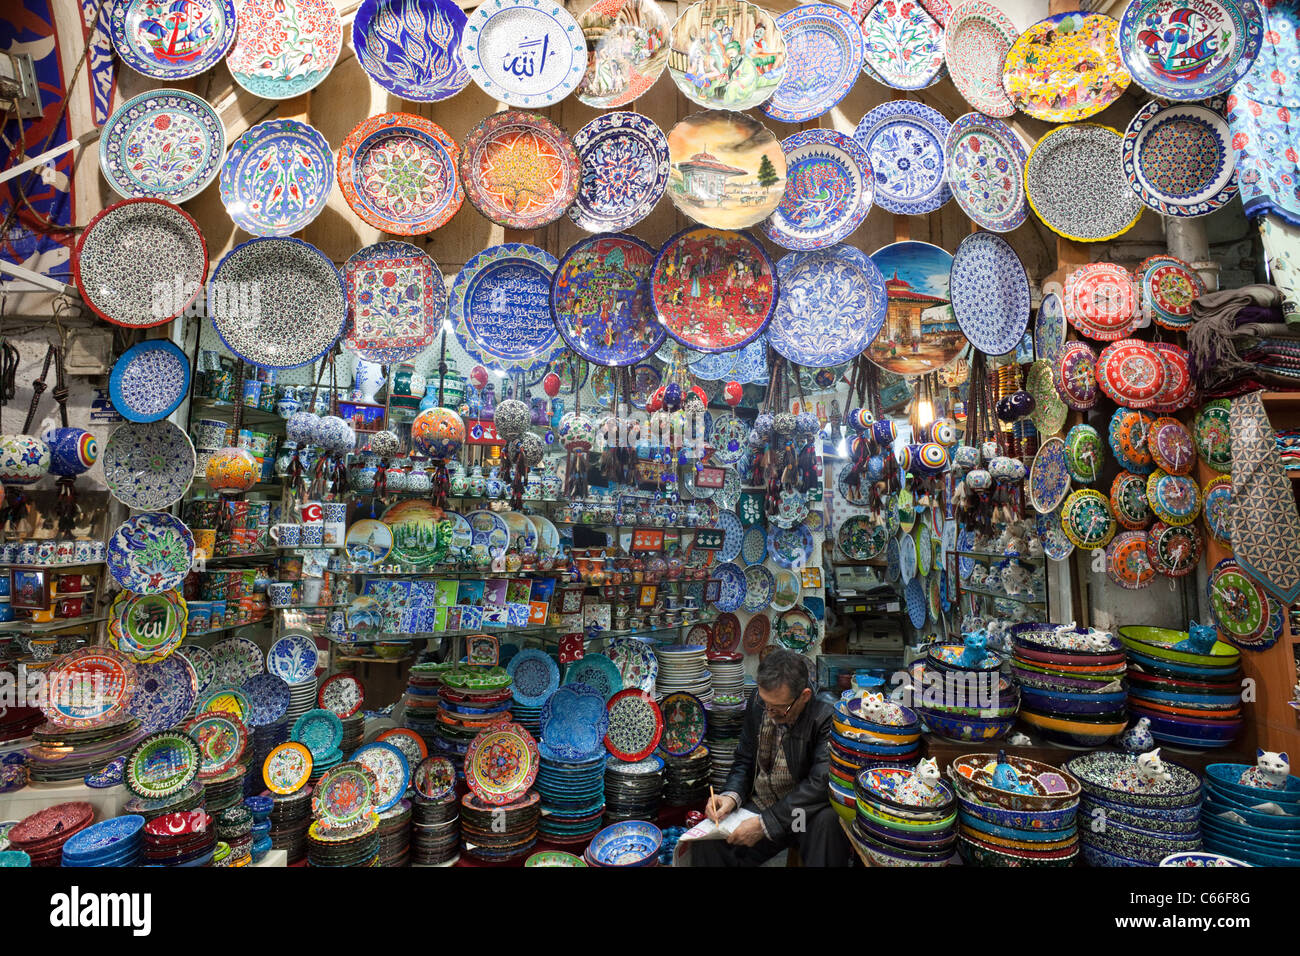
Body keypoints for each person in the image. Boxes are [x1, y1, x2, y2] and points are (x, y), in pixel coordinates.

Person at [695, 649, 851, 866]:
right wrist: (730, 796)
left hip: (802, 815)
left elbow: (820, 783)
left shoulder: (826, 714)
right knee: (708, 841)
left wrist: (766, 823)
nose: (769, 712)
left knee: (828, 823)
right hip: (764, 802)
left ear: (804, 696)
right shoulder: (760, 700)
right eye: (765, 704)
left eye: (779, 708)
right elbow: (745, 759)